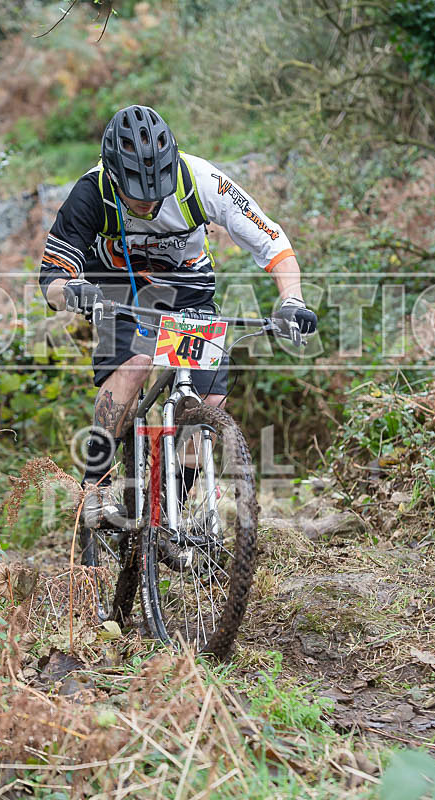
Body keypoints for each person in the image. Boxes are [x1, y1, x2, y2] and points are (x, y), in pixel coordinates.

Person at [39, 104, 317, 545]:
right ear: (113, 176)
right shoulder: (90, 193)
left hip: (188, 290)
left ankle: (168, 512)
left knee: (209, 398)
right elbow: (52, 276)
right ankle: (94, 486)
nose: (148, 203)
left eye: (157, 191)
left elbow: (273, 242)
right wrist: (73, 291)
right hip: (117, 285)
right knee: (133, 365)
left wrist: (292, 300)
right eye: (136, 195)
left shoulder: (201, 180)